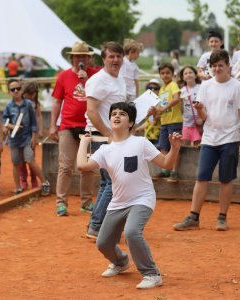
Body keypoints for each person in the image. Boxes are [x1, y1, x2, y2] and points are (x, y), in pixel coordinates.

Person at [77, 102, 182, 289]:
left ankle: (151, 273)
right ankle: (120, 262)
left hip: (142, 198)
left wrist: (174, 148)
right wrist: (84, 143)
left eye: (122, 114)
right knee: (103, 243)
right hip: (118, 202)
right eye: (114, 114)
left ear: (131, 122)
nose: (117, 116)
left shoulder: (140, 143)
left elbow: (165, 163)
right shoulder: (105, 150)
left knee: (132, 232)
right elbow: (82, 166)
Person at [173, 50, 240, 232]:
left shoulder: (237, 87)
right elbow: (204, 117)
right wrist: (199, 110)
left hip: (231, 138)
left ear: (228, 66)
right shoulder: (205, 86)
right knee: (202, 176)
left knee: (226, 179)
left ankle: (222, 217)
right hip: (209, 138)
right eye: (213, 66)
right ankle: (193, 217)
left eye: (220, 66)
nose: (216, 69)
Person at [49, 41, 99, 216]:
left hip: (89, 125)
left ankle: (86, 202)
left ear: (89, 58)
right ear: (72, 58)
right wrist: (52, 125)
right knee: (65, 165)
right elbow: (57, 102)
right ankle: (61, 203)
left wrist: (86, 80)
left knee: (88, 166)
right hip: (68, 125)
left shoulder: (96, 74)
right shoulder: (63, 76)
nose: (81, 59)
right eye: (78, 56)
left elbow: (101, 96)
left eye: (84, 56)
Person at [85, 41, 126, 239]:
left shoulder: (119, 79)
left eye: (118, 56)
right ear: (104, 59)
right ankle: (96, 225)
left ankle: (95, 224)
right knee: (112, 182)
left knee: (106, 183)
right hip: (102, 137)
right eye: (111, 56)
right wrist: (109, 136)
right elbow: (91, 111)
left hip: (111, 137)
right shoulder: (99, 80)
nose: (115, 60)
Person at [3, 79, 50, 196]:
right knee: (16, 163)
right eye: (12, 89)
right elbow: (5, 121)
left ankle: (45, 183)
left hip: (27, 138)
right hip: (14, 139)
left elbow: (34, 122)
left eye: (18, 88)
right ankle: (18, 187)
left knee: (30, 160)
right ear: (9, 92)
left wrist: (34, 137)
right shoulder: (8, 106)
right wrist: (11, 126)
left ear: (21, 89)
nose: (16, 91)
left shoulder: (28, 104)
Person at [156, 63, 181, 182]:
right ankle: (165, 170)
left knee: (174, 146)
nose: (165, 75)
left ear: (172, 74)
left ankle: (174, 171)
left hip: (174, 121)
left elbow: (176, 99)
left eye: (168, 73)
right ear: (160, 75)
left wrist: (163, 109)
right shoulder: (161, 89)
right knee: (163, 146)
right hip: (164, 122)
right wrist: (156, 113)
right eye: (163, 73)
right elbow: (161, 106)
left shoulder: (173, 85)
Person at [19, 82, 42, 189]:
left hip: (31, 135)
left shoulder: (36, 104)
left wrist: (38, 132)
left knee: (31, 158)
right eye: (29, 94)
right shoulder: (20, 103)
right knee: (21, 160)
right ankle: (23, 179)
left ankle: (33, 179)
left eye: (33, 94)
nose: (31, 96)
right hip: (20, 134)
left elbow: (39, 117)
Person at [178, 66, 202, 146]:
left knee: (198, 147)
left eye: (190, 72)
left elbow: (205, 105)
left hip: (198, 123)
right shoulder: (181, 91)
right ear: (183, 77)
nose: (188, 75)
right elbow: (180, 108)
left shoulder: (201, 88)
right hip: (186, 124)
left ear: (195, 75)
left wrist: (201, 119)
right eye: (186, 73)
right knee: (185, 146)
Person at [135, 79, 161, 147]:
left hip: (158, 135)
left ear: (160, 90)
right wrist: (140, 128)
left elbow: (160, 119)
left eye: (156, 88)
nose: (152, 90)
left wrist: (154, 113)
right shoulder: (147, 104)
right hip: (148, 136)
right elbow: (150, 120)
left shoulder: (163, 103)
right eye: (149, 88)